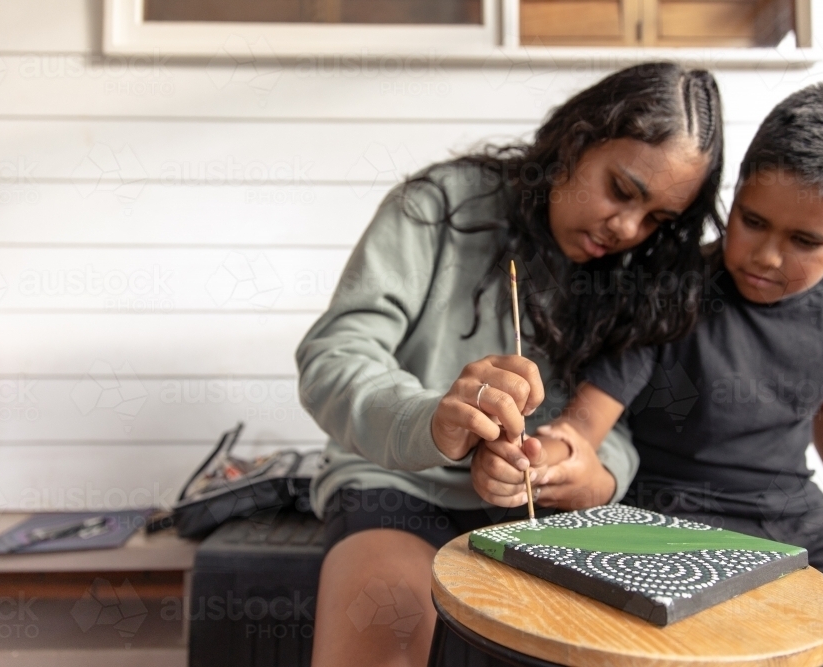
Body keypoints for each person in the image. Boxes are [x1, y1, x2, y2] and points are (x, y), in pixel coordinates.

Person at [473, 79, 823, 666]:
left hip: (795, 514)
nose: (765, 255)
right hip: (670, 517)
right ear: (737, 189)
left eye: (803, 240)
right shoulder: (671, 290)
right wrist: (557, 451)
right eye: (751, 220)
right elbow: (589, 418)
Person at [296, 62, 724, 666]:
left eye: (656, 219)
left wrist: (590, 473)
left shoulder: (637, 272)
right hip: (396, 488)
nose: (628, 227)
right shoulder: (439, 207)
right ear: (576, 141)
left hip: (542, 512)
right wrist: (431, 422)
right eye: (622, 190)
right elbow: (334, 357)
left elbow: (615, 423)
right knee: (384, 644)